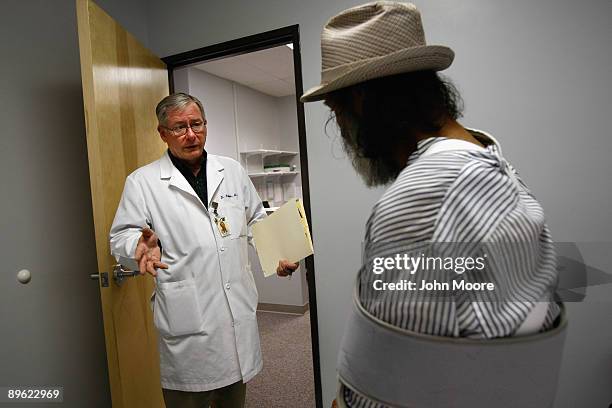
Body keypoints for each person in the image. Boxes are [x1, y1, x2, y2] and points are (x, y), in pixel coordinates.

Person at [301, 2, 563, 407]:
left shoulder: (426, 195)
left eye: (337, 114)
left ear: (362, 101)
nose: (342, 133)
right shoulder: (486, 156)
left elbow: (392, 385)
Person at [109, 93, 297, 408]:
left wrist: (276, 255)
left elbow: (255, 220)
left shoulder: (231, 170)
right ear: (162, 133)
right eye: (180, 127)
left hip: (236, 313)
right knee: (188, 398)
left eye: (196, 124)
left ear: (206, 125)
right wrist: (137, 246)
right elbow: (122, 235)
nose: (191, 134)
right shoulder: (143, 182)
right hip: (187, 320)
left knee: (233, 398)